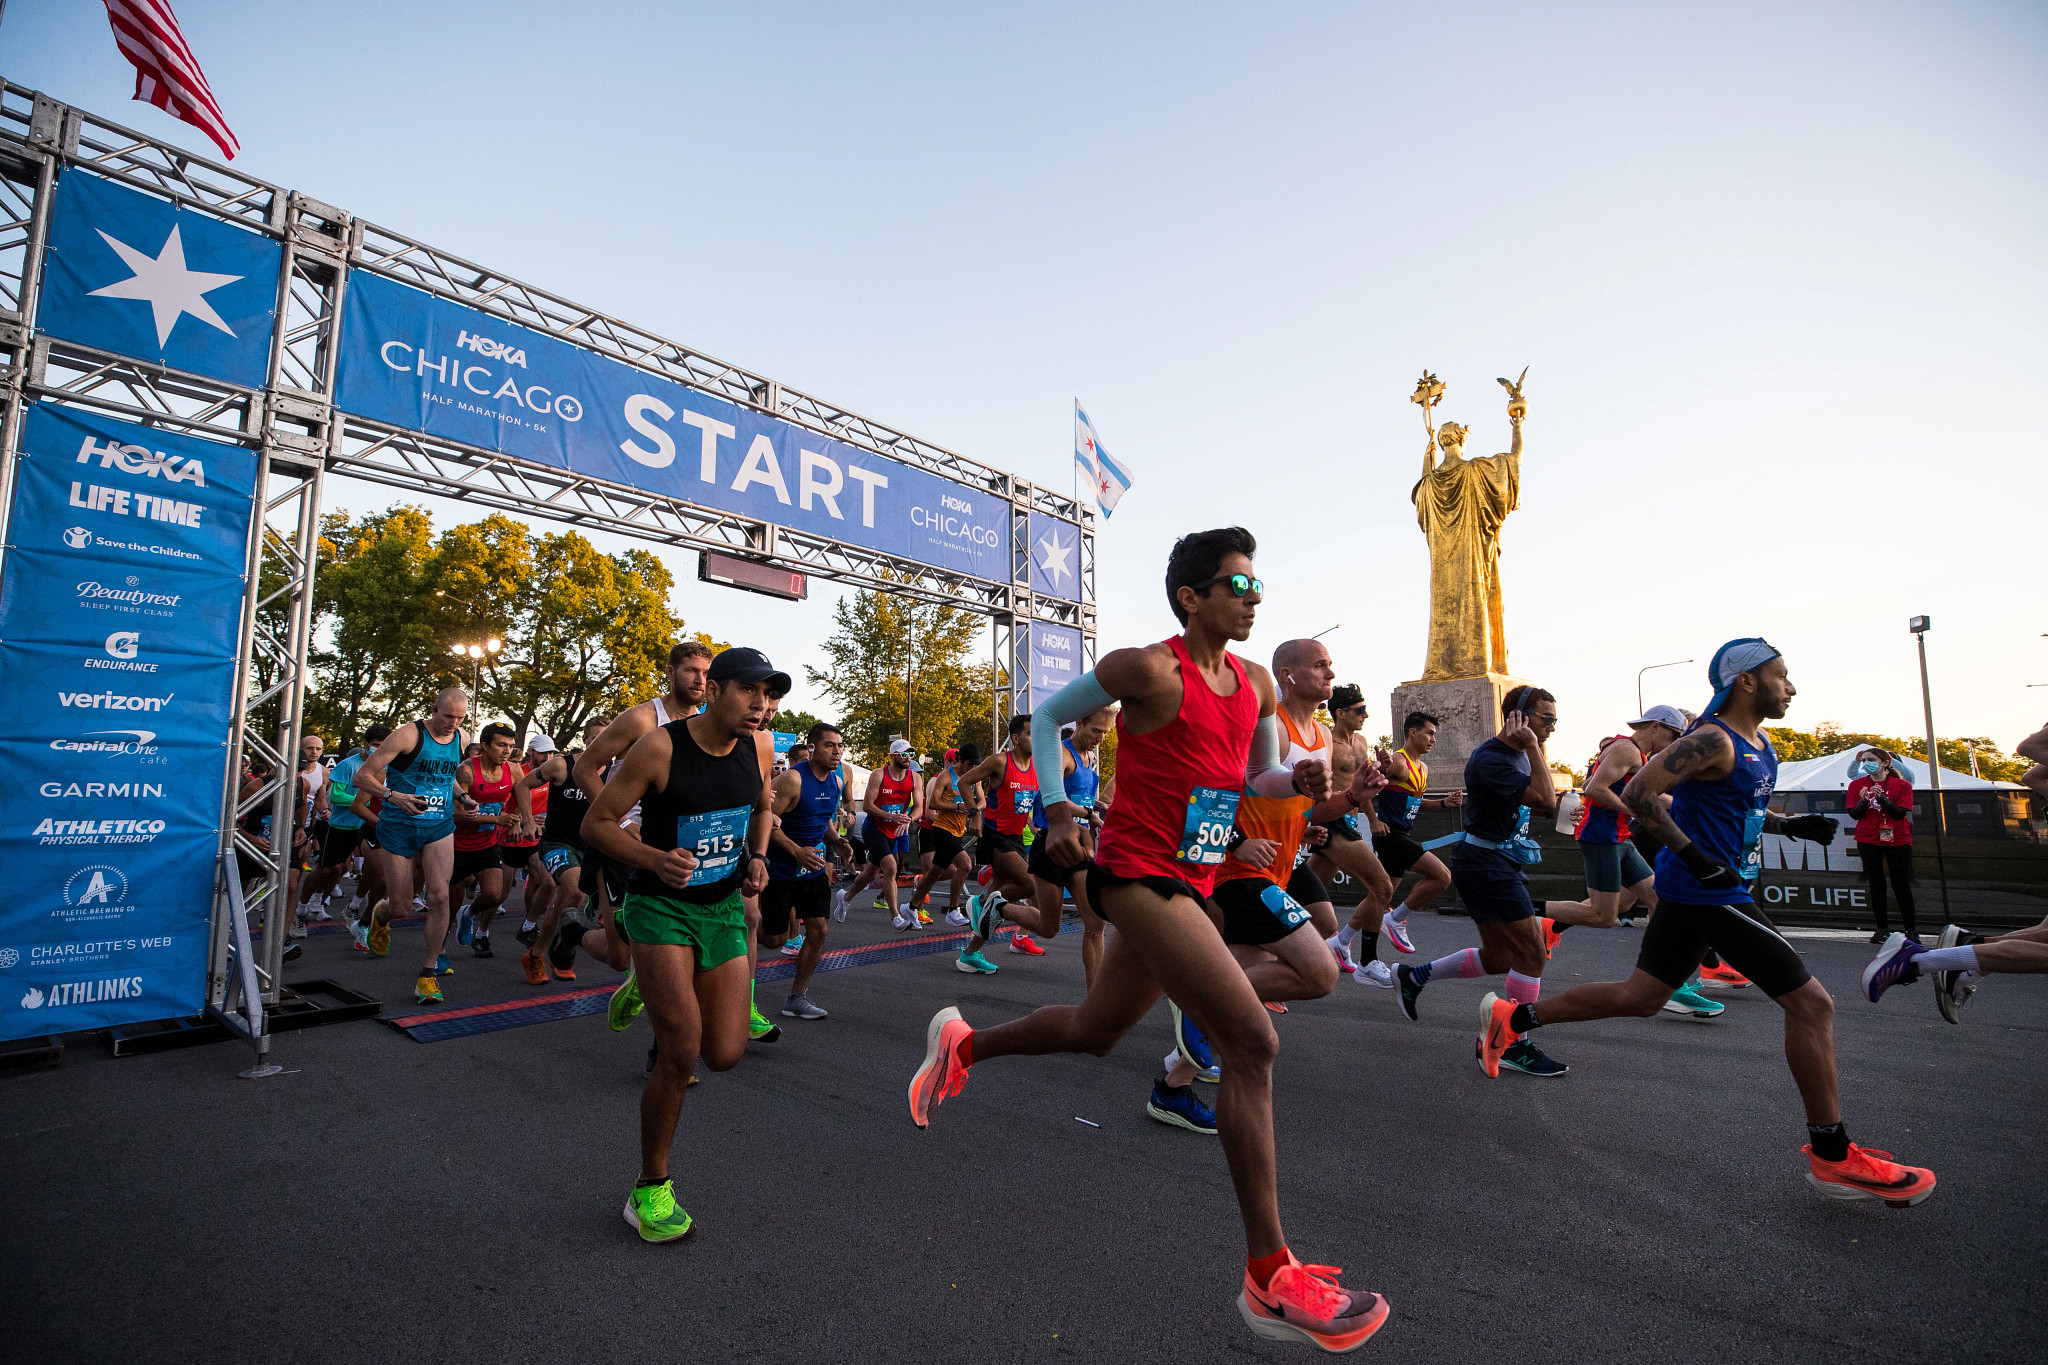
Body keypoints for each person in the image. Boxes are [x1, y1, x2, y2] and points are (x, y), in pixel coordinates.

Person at [908, 527, 1390, 1352]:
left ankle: (961, 1044)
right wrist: (1058, 810)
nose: (1253, 597)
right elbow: (1054, 719)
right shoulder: (1147, 668)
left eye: (1258, 584)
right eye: (1238, 585)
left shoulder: (1255, 683)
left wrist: (1304, 782)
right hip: (1133, 872)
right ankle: (1270, 1275)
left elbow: (1254, 778)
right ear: (1191, 596)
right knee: (1251, 1041)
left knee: (1096, 1032)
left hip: (1196, 879)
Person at [1480, 640, 1936, 1206]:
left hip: (1700, 889)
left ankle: (1512, 1017)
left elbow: (1738, 807)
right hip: (1706, 892)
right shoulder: (1710, 738)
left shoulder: (1759, 741)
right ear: (1745, 680)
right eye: (1781, 676)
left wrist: (1791, 826)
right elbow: (1642, 792)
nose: (1790, 687)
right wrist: (1694, 856)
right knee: (1813, 1004)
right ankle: (1832, 1155)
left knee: (1642, 996)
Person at [583, 647, 785, 1242]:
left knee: (724, 1053)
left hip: (721, 907)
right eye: (748, 690)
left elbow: (762, 809)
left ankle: (643, 983)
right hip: (661, 905)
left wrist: (757, 856)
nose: (760, 704)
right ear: (715, 689)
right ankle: (650, 1187)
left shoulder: (762, 747)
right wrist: (653, 858)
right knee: (681, 1052)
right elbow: (597, 822)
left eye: (767, 694)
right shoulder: (660, 746)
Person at [1393, 685, 1571, 1076]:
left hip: (1492, 862)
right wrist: (1534, 749)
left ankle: (1415, 975)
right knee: (1532, 955)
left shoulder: (1518, 756)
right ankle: (1513, 1043)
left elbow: (1534, 806)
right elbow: (1544, 797)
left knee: (1500, 958)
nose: (1552, 727)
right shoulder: (1493, 758)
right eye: (1547, 718)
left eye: (1555, 719)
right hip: (1487, 864)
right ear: (1518, 717)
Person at [1542, 706, 1725, 1018]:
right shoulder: (1626, 748)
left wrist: (1683, 805)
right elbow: (1593, 788)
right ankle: (1528, 912)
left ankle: (1663, 979)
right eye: (1674, 734)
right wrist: (1635, 810)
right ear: (1655, 727)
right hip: (1601, 838)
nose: (1676, 741)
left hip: (1620, 838)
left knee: (1657, 897)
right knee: (1604, 917)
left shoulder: (1640, 756)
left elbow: (1648, 796)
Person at [351, 688, 471, 1004]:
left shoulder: (462, 737)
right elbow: (362, 778)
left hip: (439, 827)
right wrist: (393, 796)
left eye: (460, 718)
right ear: (434, 709)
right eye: (448, 716)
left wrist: (461, 796)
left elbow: (446, 777)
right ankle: (381, 914)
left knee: (441, 896)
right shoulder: (407, 735)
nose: (453, 724)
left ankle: (427, 976)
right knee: (402, 906)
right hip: (399, 828)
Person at [1340, 708, 1459, 969]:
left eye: (1434, 734)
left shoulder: (1423, 768)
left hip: (1402, 833)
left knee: (1378, 895)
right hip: (1389, 835)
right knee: (1441, 877)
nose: (1433, 739)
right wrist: (1372, 819)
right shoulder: (1398, 762)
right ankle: (1396, 919)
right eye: (1429, 733)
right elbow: (1363, 788)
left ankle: (1342, 940)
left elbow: (1415, 802)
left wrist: (1443, 803)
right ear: (1412, 733)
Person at [762, 722, 856, 1019]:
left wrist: (837, 840)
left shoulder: (837, 782)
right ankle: (739, 928)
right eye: (830, 745)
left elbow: (823, 820)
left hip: (812, 869)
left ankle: (797, 997)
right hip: (779, 869)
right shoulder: (792, 779)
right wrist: (795, 851)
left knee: (818, 929)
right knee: (774, 939)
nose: (837, 751)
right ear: (813, 748)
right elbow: (762, 823)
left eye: (840, 746)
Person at [955, 716, 1063, 970]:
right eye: (1030, 734)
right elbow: (964, 782)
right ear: (1016, 738)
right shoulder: (1000, 761)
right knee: (1029, 885)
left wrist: (1037, 828)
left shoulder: (1036, 767)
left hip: (1015, 839)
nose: (1036, 739)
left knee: (998, 903)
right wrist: (974, 815)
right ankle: (980, 903)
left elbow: (1024, 805)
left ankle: (970, 954)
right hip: (995, 838)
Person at [1028, 714, 1114, 980]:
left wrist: (1100, 806)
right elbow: (1058, 798)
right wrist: (1090, 814)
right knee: (1048, 927)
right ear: (1079, 725)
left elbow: (1083, 798)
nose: (1100, 738)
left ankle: (1095, 1003)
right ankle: (997, 907)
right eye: (1096, 731)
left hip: (1078, 846)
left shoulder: (1091, 759)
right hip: (1051, 845)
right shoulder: (1062, 755)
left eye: (1105, 733)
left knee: (1095, 923)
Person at [450, 723, 532, 960]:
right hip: (456, 844)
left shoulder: (514, 770)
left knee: (494, 896)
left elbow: (518, 799)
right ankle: (439, 953)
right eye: (500, 745)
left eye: (510, 746)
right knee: (448, 906)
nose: (506, 750)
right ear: (484, 746)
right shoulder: (466, 771)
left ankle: (468, 914)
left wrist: (517, 821)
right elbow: (458, 815)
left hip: (486, 844)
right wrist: (498, 818)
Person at [301, 725, 390, 918]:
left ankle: (348, 906)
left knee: (373, 872)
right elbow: (337, 797)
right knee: (329, 869)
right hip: (342, 825)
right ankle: (302, 907)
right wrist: (368, 799)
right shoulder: (348, 765)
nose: (379, 749)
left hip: (367, 826)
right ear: (365, 744)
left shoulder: (388, 768)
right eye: (375, 745)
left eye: (383, 746)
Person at [842, 739, 924, 930]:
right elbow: (869, 805)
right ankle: (895, 916)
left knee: (870, 872)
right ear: (893, 755)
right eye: (904, 754)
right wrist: (891, 816)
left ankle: (845, 897)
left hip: (894, 831)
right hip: (874, 828)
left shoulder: (915, 778)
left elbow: (919, 807)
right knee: (891, 868)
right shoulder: (879, 774)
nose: (908, 758)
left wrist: (908, 819)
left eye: (910, 754)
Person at [1846, 747, 1918, 944]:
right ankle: (1881, 929)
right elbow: (1854, 814)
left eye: (1872, 759)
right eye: (1865, 760)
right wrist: (1863, 802)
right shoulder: (1857, 785)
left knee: (1900, 884)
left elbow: (1899, 813)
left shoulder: (1901, 785)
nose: (1867, 763)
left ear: (1885, 763)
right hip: (1868, 839)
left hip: (1898, 839)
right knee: (1876, 884)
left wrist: (1882, 799)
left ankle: (1911, 931)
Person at [911, 745, 981, 927]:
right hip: (941, 829)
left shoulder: (975, 777)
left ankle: (911, 907)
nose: (973, 769)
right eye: (970, 764)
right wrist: (956, 807)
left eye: (976, 765)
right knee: (965, 865)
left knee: (934, 873)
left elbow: (982, 801)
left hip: (958, 831)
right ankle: (953, 910)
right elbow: (933, 803)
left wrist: (973, 810)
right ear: (960, 761)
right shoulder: (946, 776)